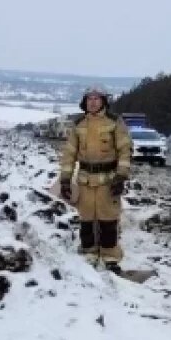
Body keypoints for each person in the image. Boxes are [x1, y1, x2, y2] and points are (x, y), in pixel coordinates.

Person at [59, 85, 133, 272]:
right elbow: (69, 154)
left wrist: (121, 176)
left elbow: (125, 150)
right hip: (85, 180)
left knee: (108, 218)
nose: (92, 102)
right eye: (89, 99)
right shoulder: (78, 124)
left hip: (108, 180)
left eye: (96, 98)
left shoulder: (114, 122)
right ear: (85, 102)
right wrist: (65, 180)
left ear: (103, 101)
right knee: (86, 218)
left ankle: (110, 255)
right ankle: (89, 251)